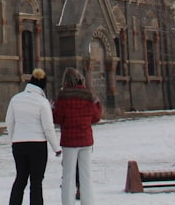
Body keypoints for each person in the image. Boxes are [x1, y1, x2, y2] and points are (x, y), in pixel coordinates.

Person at [6, 68, 61, 205]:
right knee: (36, 182)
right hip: (38, 145)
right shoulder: (42, 102)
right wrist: (56, 148)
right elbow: (48, 128)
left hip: (19, 144)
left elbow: (9, 122)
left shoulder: (15, 99)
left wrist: (14, 138)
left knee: (20, 179)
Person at [53, 67, 103, 205]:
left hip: (69, 141)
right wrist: (97, 104)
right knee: (86, 175)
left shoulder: (62, 96)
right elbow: (96, 117)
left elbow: (57, 118)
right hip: (86, 140)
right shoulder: (88, 95)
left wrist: (52, 108)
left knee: (68, 176)